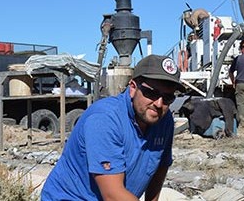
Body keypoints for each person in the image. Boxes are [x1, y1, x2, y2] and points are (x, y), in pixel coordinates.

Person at [41, 54, 183, 201]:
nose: (159, 104)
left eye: (167, 98)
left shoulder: (164, 121)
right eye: (151, 93)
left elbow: (160, 168)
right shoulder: (105, 119)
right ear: (133, 88)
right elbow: (112, 195)